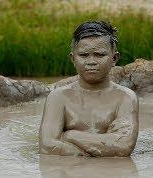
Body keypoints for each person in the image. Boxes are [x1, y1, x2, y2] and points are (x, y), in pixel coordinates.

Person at [39, 21, 139, 157]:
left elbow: (124, 146)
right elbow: (47, 147)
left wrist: (70, 135)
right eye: (84, 55)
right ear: (73, 59)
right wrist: (99, 150)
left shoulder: (125, 97)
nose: (91, 61)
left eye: (99, 55)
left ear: (114, 58)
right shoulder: (58, 97)